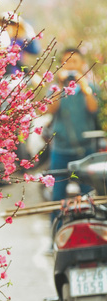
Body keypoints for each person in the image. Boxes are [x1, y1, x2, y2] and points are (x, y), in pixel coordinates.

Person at [47, 48, 100, 205]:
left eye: (74, 61)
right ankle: (57, 228)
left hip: (86, 150)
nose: (70, 65)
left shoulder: (90, 87)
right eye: (66, 62)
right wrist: (59, 85)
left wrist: (85, 88)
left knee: (89, 195)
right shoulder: (55, 88)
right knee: (57, 197)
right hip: (60, 149)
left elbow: (94, 109)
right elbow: (50, 110)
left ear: (82, 64)